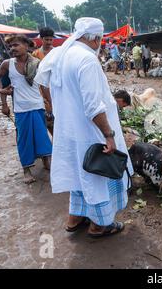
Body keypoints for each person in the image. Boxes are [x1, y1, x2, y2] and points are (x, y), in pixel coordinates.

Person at [35, 17, 134, 237]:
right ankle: (99, 224)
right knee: (96, 176)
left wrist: (56, 107)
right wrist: (108, 134)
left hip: (70, 130)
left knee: (78, 174)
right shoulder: (87, 60)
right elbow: (93, 106)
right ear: (96, 38)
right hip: (90, 132)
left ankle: (75, 218)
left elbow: (42, 81)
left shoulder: (61, 54)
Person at [0, 34, 52, 184]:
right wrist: (2, 95)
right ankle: (27, 170)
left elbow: (44, 86)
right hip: (21, 109)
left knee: (42, 137)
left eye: (16, 45)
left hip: (37, 107)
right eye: (11, 46)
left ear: (27, 45)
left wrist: (51, 104)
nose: (13, 49)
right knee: (24, 140)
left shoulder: (37, 63)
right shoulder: (7, 64)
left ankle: (47, 162)